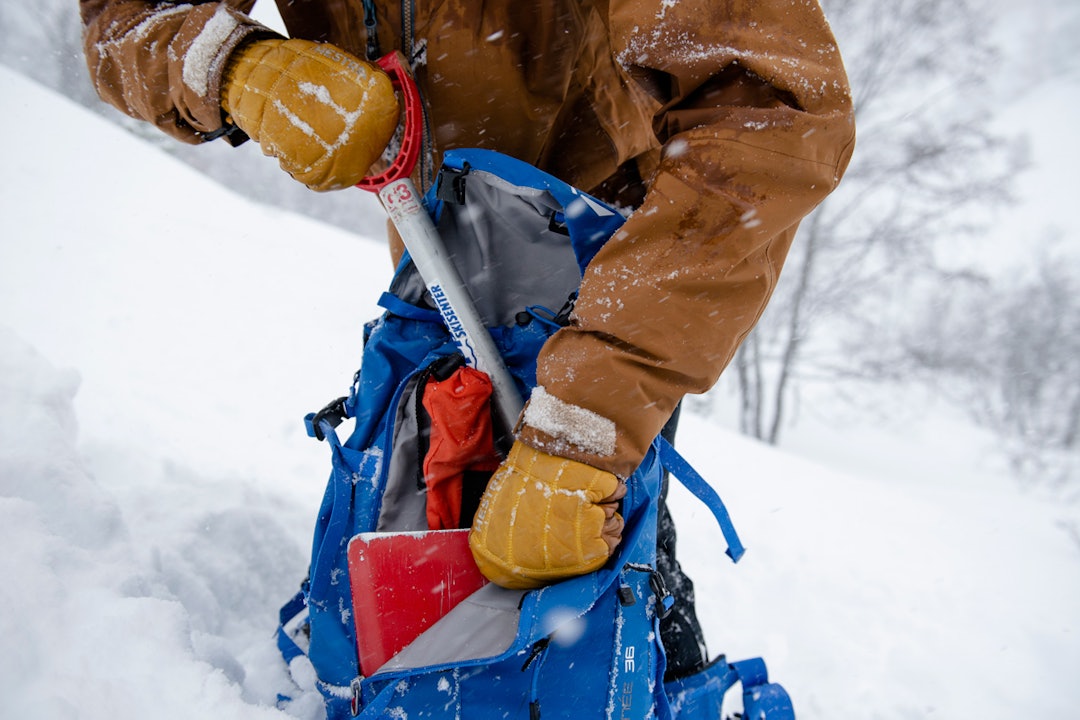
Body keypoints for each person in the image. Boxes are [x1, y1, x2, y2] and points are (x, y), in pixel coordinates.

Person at [81, 0, 855, 682]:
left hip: (617, 275)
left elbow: (767, 111)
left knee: (593, 559)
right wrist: (232, 66)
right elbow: (127, 19)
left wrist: (590, 422)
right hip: (432, 265)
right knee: (432, 525)